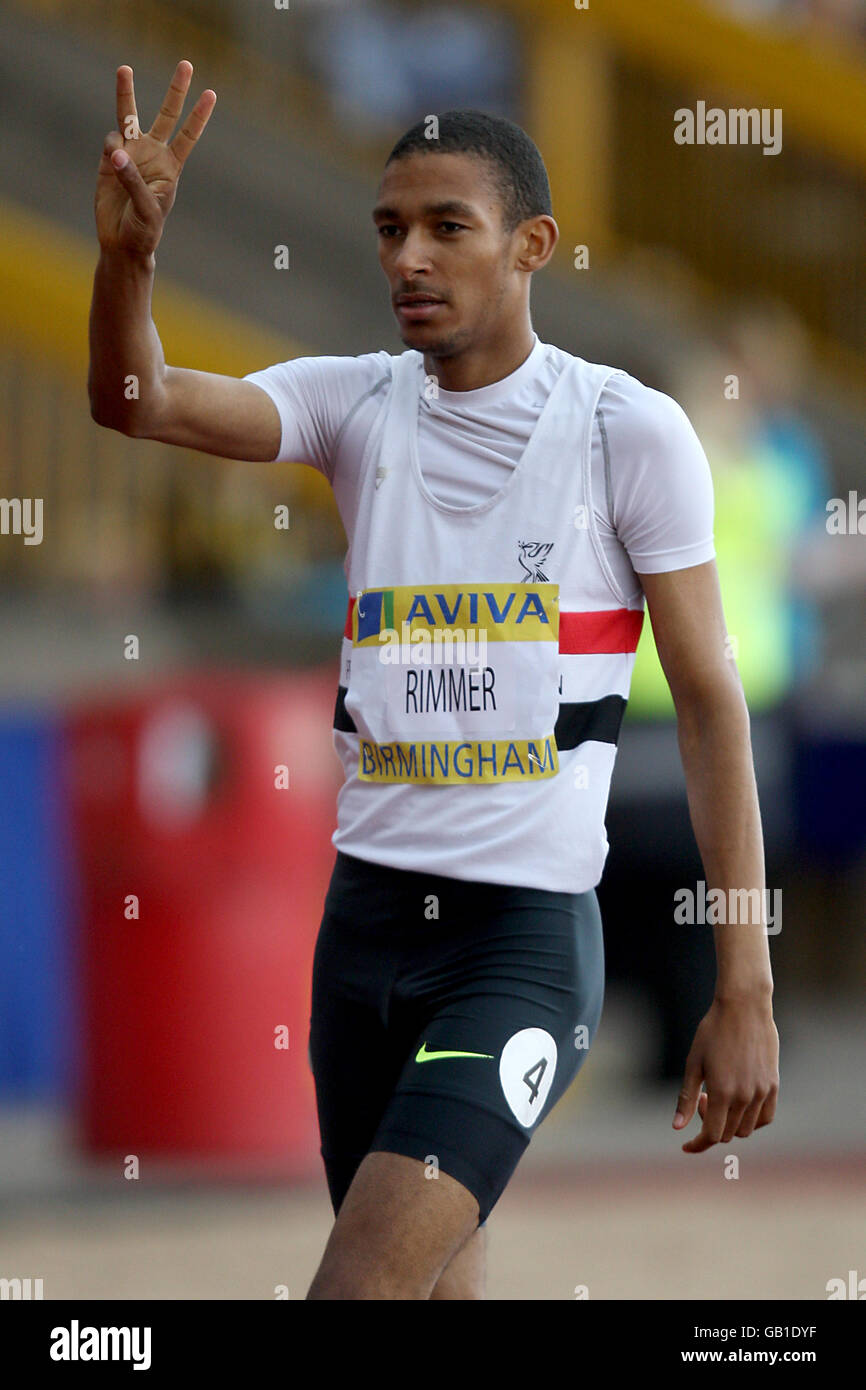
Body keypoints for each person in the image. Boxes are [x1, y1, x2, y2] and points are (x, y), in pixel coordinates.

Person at [89, 60, 780, 1301]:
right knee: (426, 1288)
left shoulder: (626, 433)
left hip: (516, 945)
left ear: (532, 246)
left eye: (445, 228)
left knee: (355, 1291)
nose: (407, 257)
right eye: (389, 231)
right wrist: (129, 263)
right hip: (359, 938)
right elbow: (133, 401)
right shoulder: (352, 403)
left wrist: (744, 988)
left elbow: (711, 706)